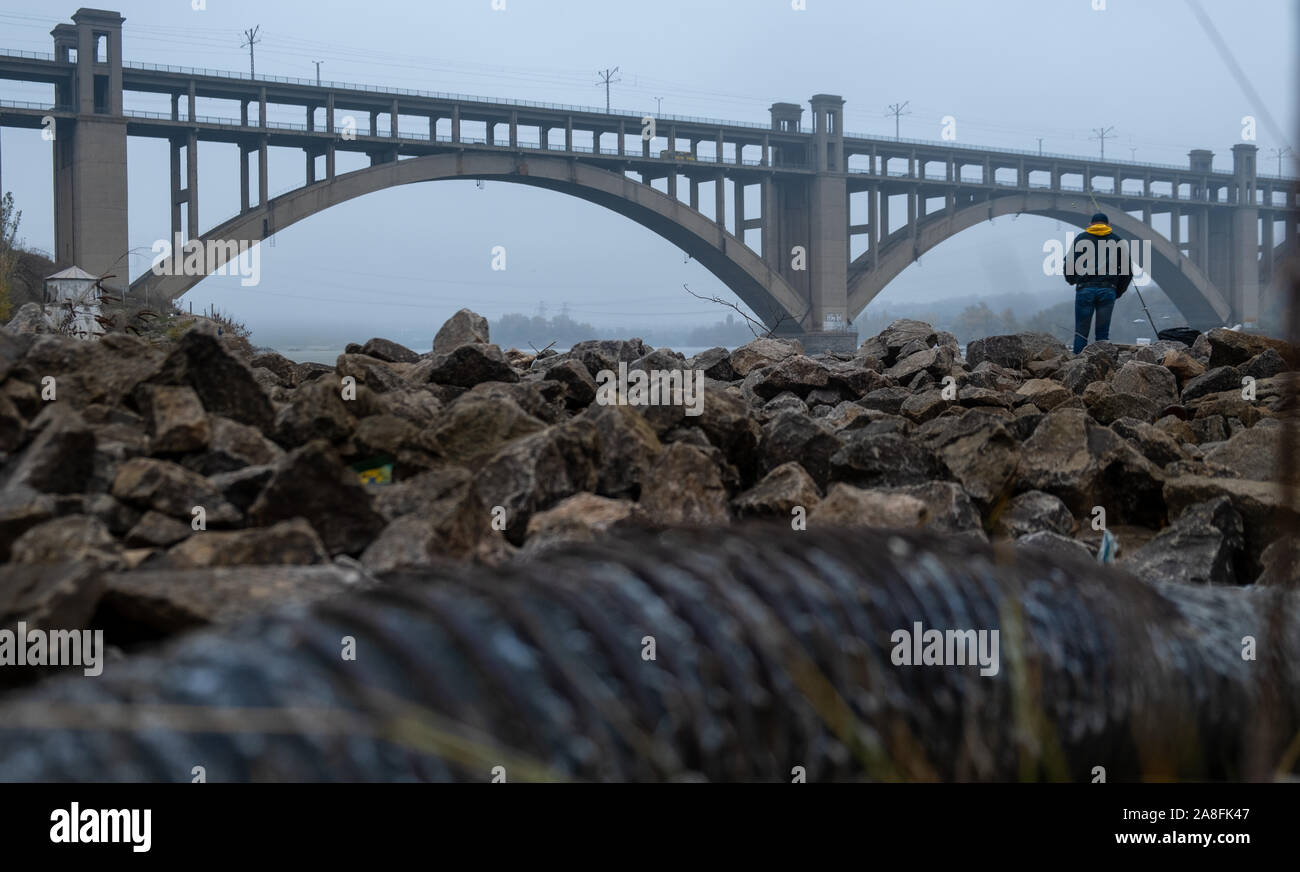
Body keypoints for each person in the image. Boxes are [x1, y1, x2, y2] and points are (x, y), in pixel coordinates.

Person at [1065, 212, 1131, 354]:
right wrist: (1117, 291)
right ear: (1108, 225)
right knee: (1102, 335)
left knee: (1081, 333)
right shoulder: (1117, 241)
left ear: (1090, 224)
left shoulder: (1081, 239)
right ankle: (1103, 368)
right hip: (1108, 291)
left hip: (1085, 290)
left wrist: (1072, 280)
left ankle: (1077, 366)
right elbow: (1127, 271)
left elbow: (1069, 263)